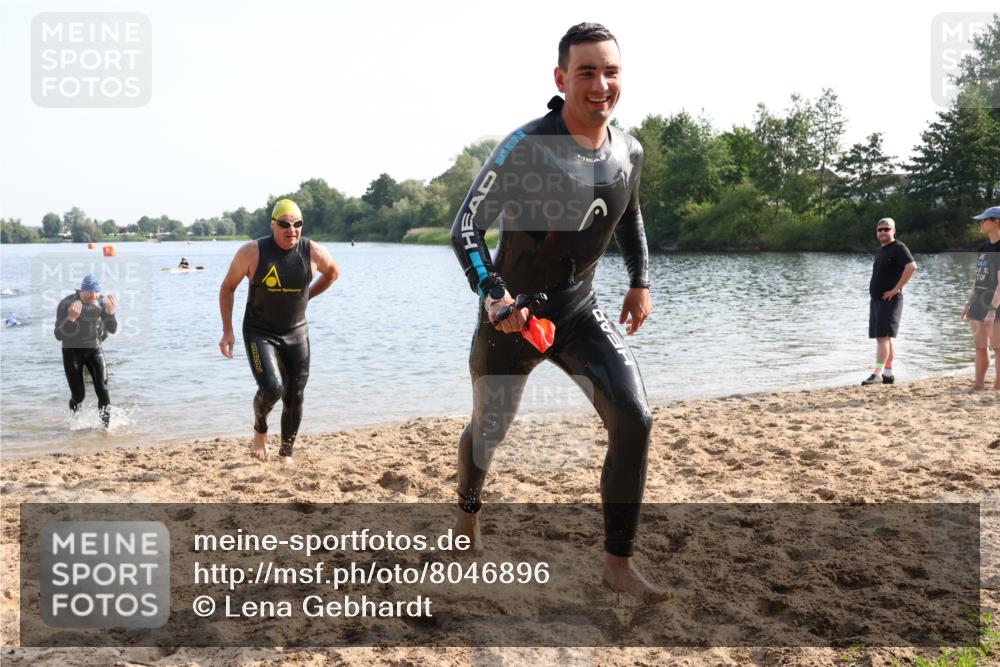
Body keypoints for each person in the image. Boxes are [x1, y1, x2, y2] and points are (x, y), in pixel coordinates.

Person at [449, 23, 668, 602]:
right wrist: (493, 293)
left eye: (610, 72)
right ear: (561, 79)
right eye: (587, 72)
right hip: (512, 320)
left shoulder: (629, 150)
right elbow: (466, 226)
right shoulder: (525, 147)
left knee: (635, 420)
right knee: (488, 433)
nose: (601, 84)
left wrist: (640, 280)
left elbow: (631, 216)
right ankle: (468, 514)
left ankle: (616, 564)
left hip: (578, 314)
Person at [218, 199, 340, 463]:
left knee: (295, 395)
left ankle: (286, 453)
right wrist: (228, 331)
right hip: (259, 332)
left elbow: (332, 273)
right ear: (273, 225)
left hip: (296, 332)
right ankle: (260, 429)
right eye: (285, 224)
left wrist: (307, 296)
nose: (292, 229)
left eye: (297, 224)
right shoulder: (252, 252)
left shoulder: (312, 251)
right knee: (272, 388)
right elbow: (228, 287)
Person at [54, 274, 118, 427]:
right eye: (90, 292)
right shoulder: (66, 304)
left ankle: (105, 430)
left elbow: (112, 329)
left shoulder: (102, 302)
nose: (93, 296)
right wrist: (71, 318)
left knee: (102, 389)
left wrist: (111, 314)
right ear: (82, 291)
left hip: (94, 349)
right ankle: (75, 422)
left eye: (96, 292)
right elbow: (58, 335)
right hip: (72, 352)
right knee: (79, 396)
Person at [861, 218, 917, 385]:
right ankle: (888, 373)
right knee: (886, 338)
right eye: (880, 230)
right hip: (877, 300)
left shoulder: (898, 247)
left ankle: (877, 373)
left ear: (894, 230)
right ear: (877, 232)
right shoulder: (880, 250)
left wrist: (896, 289)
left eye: (886, 229)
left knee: (882, 337)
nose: (883, 232)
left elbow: (912, 266)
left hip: (890, 300)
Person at [962, 206, 1000, 391]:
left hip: (996, 303)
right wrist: (968, 302)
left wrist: (992, 310)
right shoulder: (983, 248)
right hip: (979, 302)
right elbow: (977, 279)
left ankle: (998, 387)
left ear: (996, 221)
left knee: (998, 347)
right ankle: (978, 384)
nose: (980, 223)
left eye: (984, 220)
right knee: (980, 346)